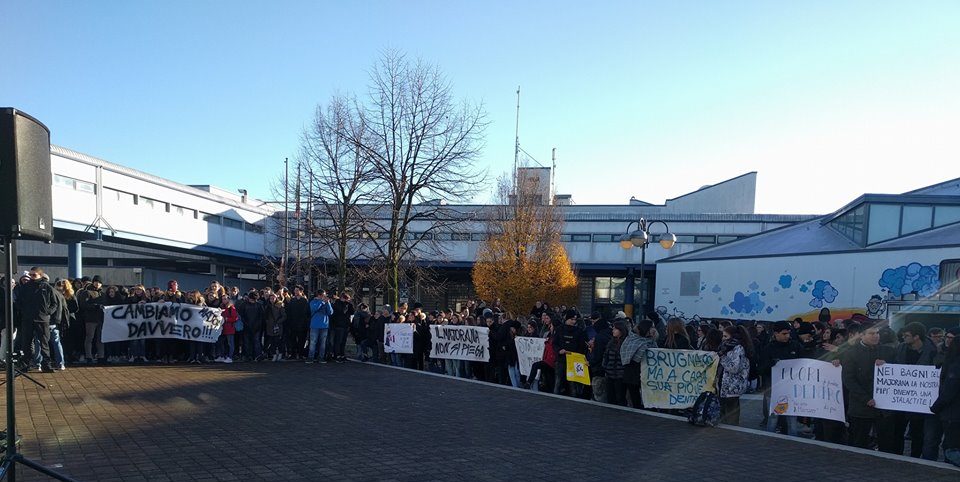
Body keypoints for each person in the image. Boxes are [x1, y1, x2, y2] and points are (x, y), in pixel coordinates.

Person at [843, 324, 897, 452]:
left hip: (883, 407)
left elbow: (897, 371)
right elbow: (848, 379)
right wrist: (865, 399)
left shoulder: (887, 351)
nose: (875, 336)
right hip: (860, 407)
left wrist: (887, 365)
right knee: (859, 442)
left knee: (886, 442)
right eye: (871, 333)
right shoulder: (851, 353)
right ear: (861, 335)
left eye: (877, 333)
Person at [892, 322, 939, 458]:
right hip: (901, 398)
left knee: (918, 432)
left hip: (920, 400)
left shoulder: (932, 352)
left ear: (916, 337)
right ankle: (897, 455)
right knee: (898, 429)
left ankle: (915, 457)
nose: (904, 337)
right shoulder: (900, 348)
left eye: (907, 335)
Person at [759, 321, 802, 435]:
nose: (787, 336)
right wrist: (771, 364)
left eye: (788, 333)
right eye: (784, 334)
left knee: (792, 420)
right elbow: (761, 369)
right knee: (773, 418)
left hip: (791, 389)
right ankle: (770, 442)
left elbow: (806, 361)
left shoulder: (796, 346)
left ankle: (793, 444)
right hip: (773, 390)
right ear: (776, 334)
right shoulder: (768, 348)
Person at [16, 267, 58, 373]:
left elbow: (54, 303)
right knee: (27, 343)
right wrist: (24, 311)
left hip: (42, 319)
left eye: (34, 275)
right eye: (31, 275)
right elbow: (18, 301)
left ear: (40, 275)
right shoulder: (25, 287)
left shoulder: (47, 287)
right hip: (28, 319)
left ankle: (46, 364)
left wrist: (47, 312)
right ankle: (26, 363)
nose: (31, 277)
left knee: (44, 343)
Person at [931, 335, 960, 467]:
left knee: (951, 449)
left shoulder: (955, 365)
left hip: (953, 414)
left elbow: (949, 390)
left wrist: (935, 407)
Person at [718, 325, 752, 425]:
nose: (723, 339)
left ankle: (731, 432)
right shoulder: (726, 347)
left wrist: (722, 357)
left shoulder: (738, 348)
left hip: (733, 386)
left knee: (731, 412)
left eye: (725, 336)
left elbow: (734, 368)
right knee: (723, 411)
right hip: (724, 385)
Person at [620, 319, 657, 408]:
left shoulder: (652, 341)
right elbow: (626, 353)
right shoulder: (632, 339)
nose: (654, 329)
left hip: (647, 373)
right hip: (633, 372)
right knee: (634, 396)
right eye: (652, 327)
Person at [553, 310, 588, 397]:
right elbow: (554, 343)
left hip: (573, 360)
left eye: (575, 319)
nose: (573, 321)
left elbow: (582, 346)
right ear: (567, 319)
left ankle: (573, 400)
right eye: (572, 319)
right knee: (558, 381)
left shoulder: (578, 331)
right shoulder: (559, 329)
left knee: (572, 384)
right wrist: (559, 350)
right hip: (562, 359)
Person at [77, 274, 105, 363]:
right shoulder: (86, 292)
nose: (98, 284)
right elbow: (83, 305)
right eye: (96, 282)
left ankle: (101, 356)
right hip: (90, 319)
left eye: (99, 282)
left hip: (101, 319)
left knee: (100, 338)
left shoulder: (103, 294)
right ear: (93, 282)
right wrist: (96, 306)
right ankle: (88, 356)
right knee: (90, 338)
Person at [602, 320, 627, 406]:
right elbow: (606, 356)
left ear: (621, 330)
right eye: (613, 328)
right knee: (610, 397)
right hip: (610, 374)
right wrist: (605, 367)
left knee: (620, 398)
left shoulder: (626, 343)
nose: (613, 330)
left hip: (620, 375)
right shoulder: (611, 342)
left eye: (615, 329)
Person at [306, 290, 332, 363]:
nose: (324, 297)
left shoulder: (326, 302)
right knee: (313, 342)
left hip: (324, 325)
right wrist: (321, 302)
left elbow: (330, 312)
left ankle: (321, 357)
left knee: (323, 343)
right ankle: (311, 357)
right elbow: (313, 309)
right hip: (315, 325)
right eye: (323, 295)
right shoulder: (313, 301)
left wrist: (328, 303)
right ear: (319, 295)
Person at [330, 292, 355, 363]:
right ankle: (336, 355)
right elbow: (342, 311)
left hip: (346, 325)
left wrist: (350, 304)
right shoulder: (337, 303)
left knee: (343, 341)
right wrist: (345, 304)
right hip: (339, 325)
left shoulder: (348, 305)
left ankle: (342, 354)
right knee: (338, 341)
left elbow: (352, 312)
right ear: (343, 298)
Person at [264, 293, 286, 361]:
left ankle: (280, 354)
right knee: (272, 342)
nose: (272, 300)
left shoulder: (279, 305)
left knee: (278, 341)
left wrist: (278, 322)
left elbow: (284, 316)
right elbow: (265, 316)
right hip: (270, 326)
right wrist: (267, 321)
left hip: (277, 326)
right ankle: (274, 354)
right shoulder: (267, 306)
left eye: (273, 298)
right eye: (271, 298)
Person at [217, 294, 238, 363]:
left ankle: (230, 357)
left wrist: (227, 319)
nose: (224, 300)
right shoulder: (221, 307)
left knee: (230, 343)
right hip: (222, 328)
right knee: (221, 343)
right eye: (223, 299)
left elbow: (235, 318)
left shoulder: (231, 308)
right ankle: (222, 356)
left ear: (228, 299)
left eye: (225, 299)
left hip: (229, 328)